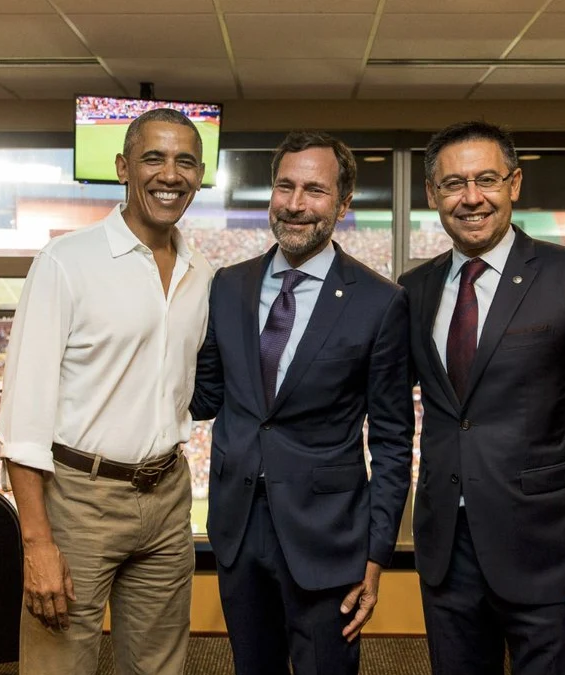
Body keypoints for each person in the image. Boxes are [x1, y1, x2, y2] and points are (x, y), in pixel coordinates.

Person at [397, 120, 565, 675]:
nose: (471, 198)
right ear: (433, 195)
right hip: (446, 550)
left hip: (548, 552)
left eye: (486, 179)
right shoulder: (414, 290)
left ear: (514, 184)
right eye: (454, 184)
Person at [0, 108, 211, 675]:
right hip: (79, 500)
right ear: (122, 167)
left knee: (159, 666)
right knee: (59, 665)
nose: (171, 174)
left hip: (167, 497)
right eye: (153, 158)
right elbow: (23, 419)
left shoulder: (202, 273)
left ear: (200, 173)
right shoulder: (67, 262)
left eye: (185, 161)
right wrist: (37, 543)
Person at [191, 131, 414, 675]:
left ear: (342, 204)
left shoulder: (380, 302)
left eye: (314, 190)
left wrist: (377, 552)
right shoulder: (228, 285)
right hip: (238, 530)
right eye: (285, 186)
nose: (295, 204)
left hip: (328, 538)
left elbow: (391, 438)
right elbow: (204, 397)